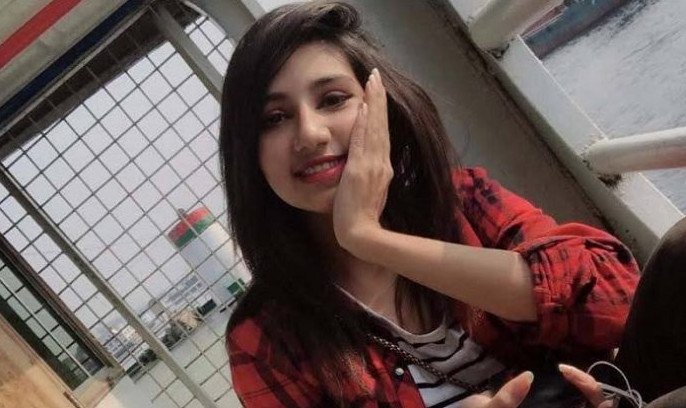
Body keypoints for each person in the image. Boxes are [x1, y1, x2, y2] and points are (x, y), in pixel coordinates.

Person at [218, 2, 679, 406]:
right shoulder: (265, 342)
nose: (311, 133)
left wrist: (369, 238)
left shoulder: (461, 200)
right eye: (274, 118)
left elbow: (614, 299)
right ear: (248, 154)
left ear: (378, 105)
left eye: (333, 99)